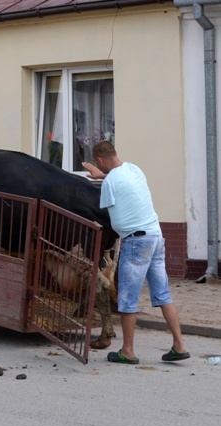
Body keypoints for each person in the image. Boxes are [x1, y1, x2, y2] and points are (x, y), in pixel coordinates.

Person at [82, 140, 190, 364]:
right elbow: (119, 180)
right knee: (163, 295)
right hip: (156, 238)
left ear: (100, 160)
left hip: (136, 243)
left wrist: (102, 179)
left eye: (97, 164)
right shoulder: (133, 168)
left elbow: (108, 212)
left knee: (127, 300)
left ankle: (128, 352)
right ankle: (179, 345)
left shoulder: (111, 181)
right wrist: (103, 176)